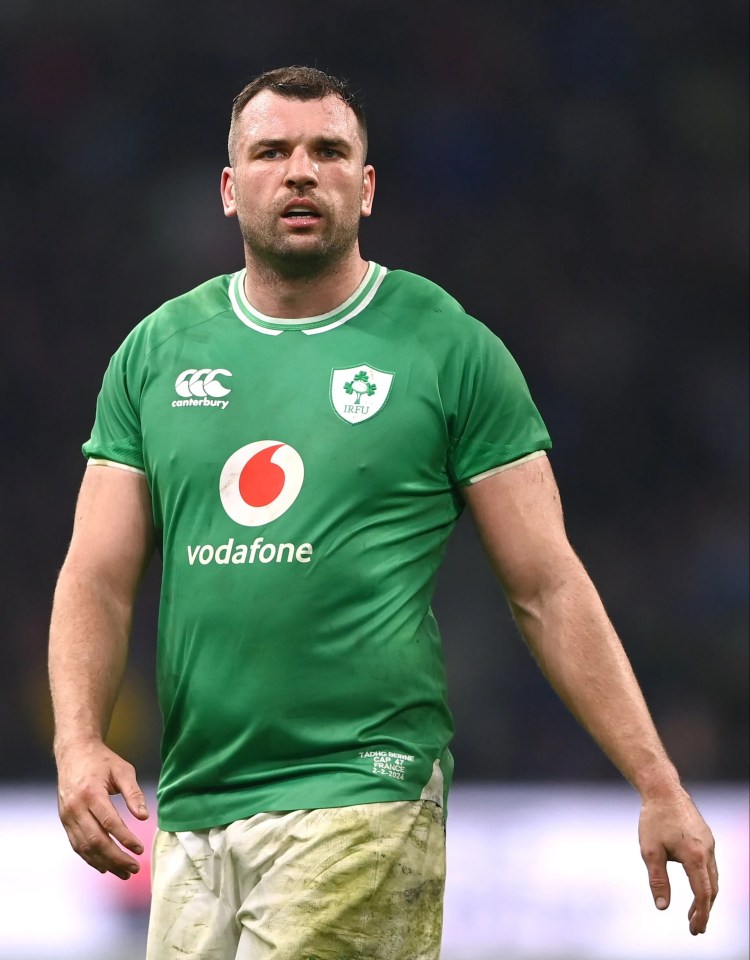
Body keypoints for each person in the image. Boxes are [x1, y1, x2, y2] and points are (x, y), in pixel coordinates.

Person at [49, 65, 718, 959]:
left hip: (363, 794)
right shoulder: (157, 351)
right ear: (227, 186)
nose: (299, 171)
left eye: (328, 151)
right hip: (197, 810)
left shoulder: (447, 346)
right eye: (271, 151)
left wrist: (656, 779)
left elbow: (547, 584)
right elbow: (96, 575)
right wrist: (79, 742)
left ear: (364, 188)